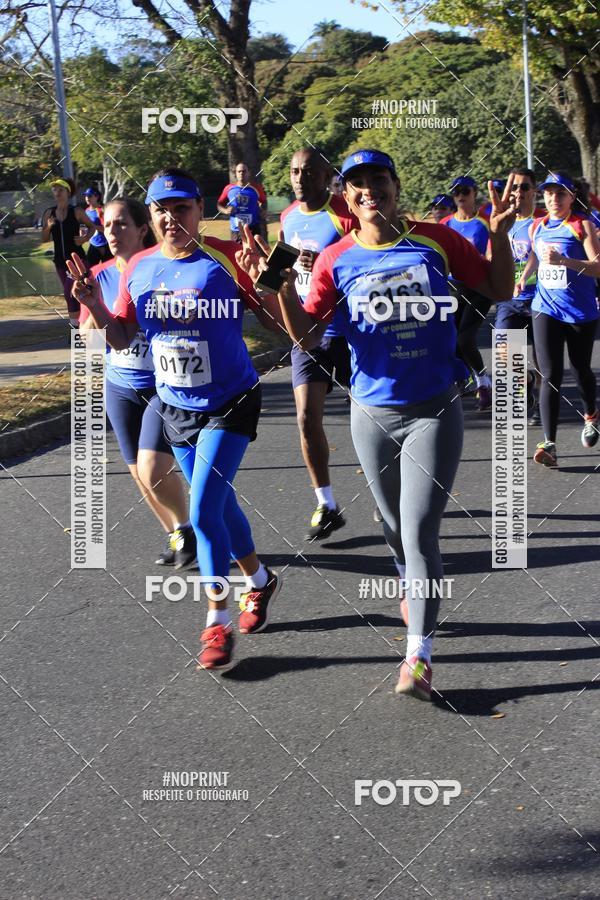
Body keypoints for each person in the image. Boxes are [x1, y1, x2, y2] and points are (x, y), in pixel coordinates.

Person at [273, 149, 516, 700]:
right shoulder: (336, 259)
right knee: (392, 527)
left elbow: (500, 289)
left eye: (378, 179)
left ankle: (418, 657)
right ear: (346, 196)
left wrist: (499, 236)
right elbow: (308, 338)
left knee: (419, 529)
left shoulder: (437, 241)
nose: (369, 191)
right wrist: (283, 290)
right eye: (357, 183)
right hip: (371, 414)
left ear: (396, 186)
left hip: (434, 408)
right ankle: (410, 584)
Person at [69, 168, 282, 671]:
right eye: (161, 210)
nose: (171, 218)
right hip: (175, 406)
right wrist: (95, 305)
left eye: (181, 208)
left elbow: (279, 327)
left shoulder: (226, 258)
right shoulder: (140, 268)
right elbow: (122, 338)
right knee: (221, 505)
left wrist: (267, 282)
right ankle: (260, 580)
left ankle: (216, 620)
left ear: (200, 210)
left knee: (204, 511)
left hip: (230, 401)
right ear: (151, 217)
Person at [76, 197, 194, 568]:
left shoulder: (160, 268)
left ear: (143, 229)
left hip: (161, 384)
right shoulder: (98, 274)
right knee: (138, 473)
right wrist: (92, 305)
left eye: (122, 223)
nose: (112, 231)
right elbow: (87, 341)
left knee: (153, 467)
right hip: (120, 385)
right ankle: (177, 534)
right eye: (107, 225)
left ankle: (189, 526)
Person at [280, 147, 357, 540]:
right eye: (295, 171)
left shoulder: (346, 215)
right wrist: (261, 271)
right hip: (309, 333)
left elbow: (366, 264)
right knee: (306, 418)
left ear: (327, 176)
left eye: (309, 171)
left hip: (352, 332)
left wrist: (326, 260)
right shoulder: (287, 217)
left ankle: (391, 491)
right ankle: (326, 504)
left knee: (373, 420)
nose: (300, 178)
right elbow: (279, 269)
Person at [516, 171, 600, 467]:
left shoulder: (581, 225)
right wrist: (524, 278)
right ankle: (549, 444)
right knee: (550, 374)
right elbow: (535, 256)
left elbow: (597, 267)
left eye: (560, 193)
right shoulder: (537, 225)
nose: (554, 198)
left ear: (571, 197)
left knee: (580, 369)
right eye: (549, 193)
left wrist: (565, 261)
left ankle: (590, 414)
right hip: (545, 307)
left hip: (580, 311)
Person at [441, 175, 493, 410]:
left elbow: (494, 254)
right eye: (456, 192)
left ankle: (483, 383)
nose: (460, 195)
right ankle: (468, 381)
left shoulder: (484, 224)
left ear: (474, 193)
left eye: (465, 191)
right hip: (454, 288)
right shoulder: (445, 225)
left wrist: (482, 260)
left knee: (465, 338)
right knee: (452, 340)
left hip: (479, 287)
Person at [494, 168, 541, 424]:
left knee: (541, 360)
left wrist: (524, 278)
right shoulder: (503, 222)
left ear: (534, 191)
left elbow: (538, 254)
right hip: (509, 301)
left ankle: (540, 406)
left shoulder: (541, 221)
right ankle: (527, 382)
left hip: (540, 299)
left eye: (524, 187)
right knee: (505, 355)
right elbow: (492, 256)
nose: (518, 192)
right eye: (514, 187)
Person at [41, 177, 97, 326]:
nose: (57, 192)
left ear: (68, 192)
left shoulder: (76, 211)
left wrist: (85, 238)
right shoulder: (49, 213)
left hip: (77, 261)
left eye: (60, 189)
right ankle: (83, 327)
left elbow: (92, 227)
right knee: (75, 295)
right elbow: (44, 239)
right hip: (60, 262)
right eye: (54, 190)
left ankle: (77, 328)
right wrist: (48, 227)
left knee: (69, 293)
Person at [217, 162, 267, 242]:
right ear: (236, 174)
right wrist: (225, 210)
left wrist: (262, 210)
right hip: (236, 231)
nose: (241, 173)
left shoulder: (256, 188)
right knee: (237, 250)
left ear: (248, 173)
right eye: (239, 171)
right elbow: (219, 204)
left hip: (253, 229)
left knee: (255, 250)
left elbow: (263, 201)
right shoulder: (229, 189)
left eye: (244, 171)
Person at [83, 186, 112, 266]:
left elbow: (107, 229)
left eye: (89, 196)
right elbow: (85, 227)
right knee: (90, 269)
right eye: (85, 196)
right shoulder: (87, 211)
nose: (87, 198)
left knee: (107, 269)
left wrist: (93, 226)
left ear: (97, 196)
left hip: (105, 245)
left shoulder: (102, 210)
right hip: (93, 244)